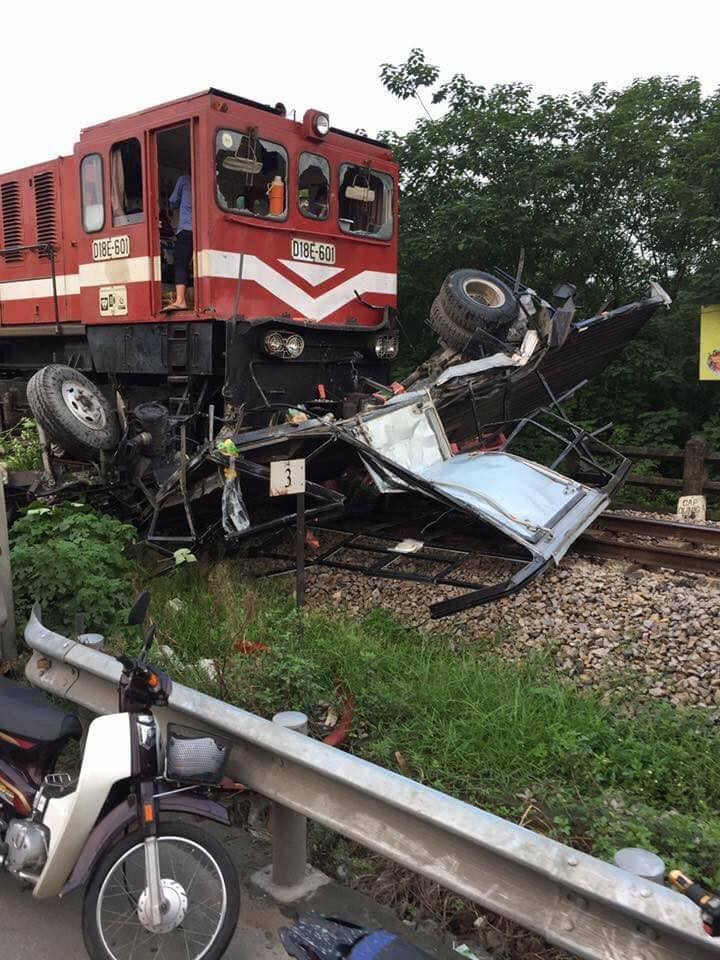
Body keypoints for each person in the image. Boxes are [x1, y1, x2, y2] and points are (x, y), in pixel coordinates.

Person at [166, 172, 192, 310]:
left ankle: (181, 300)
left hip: (186, 229)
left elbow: (173, 201)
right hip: (202, 232)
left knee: (180, 263)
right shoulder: (209, 183)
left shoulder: (184, 180)